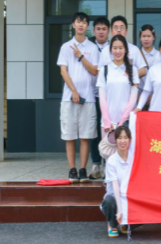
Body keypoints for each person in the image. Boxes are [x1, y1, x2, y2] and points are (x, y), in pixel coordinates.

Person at [57, 12, 100, 183]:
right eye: (78, 22)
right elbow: (63, 71)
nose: (81, 25)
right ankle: (72, 170)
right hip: (69, 98)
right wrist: (74, 91)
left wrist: (81, 56)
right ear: (73, 25)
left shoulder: (93, 48)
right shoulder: (66, 47)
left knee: (85, 136)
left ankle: (83, 169)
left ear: (87, 26)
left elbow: (95, 71)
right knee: (70, 136)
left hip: (88, 98)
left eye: (84, 22)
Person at [97, 35, 139, 142]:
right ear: (111, 50)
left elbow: (133, 99)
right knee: (108, 152)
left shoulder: (133, 70)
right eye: (115, 48)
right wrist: (107, 121)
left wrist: (123, 121)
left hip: (127, 123)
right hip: (108, 124)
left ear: (126, 50)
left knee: (126, 152)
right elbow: (102, 99)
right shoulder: (104, 70)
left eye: (121, 48)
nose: (118, 51)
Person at [100, 121, 137, 237]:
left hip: (129, 198)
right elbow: (115, 187)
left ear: (130, 139)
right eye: (120, 138)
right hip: (115, 199)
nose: (123, 141)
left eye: (125, 138)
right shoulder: (112, 161)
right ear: (115, 140)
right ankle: (113, 224)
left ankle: (125, 224)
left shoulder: (134, 158)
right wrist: (120, 210)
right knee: (108, 201)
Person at [90, 16, 111, 178]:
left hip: (109, 96)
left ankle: (107, 164)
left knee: (107, 129)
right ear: (93, 31)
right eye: (98, 29)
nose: (101, 32)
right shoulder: (89, 47)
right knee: (94, 130)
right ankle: (95, 163)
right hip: (91, 94)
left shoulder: (114, 47)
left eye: (104, 29)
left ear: (108, 31)